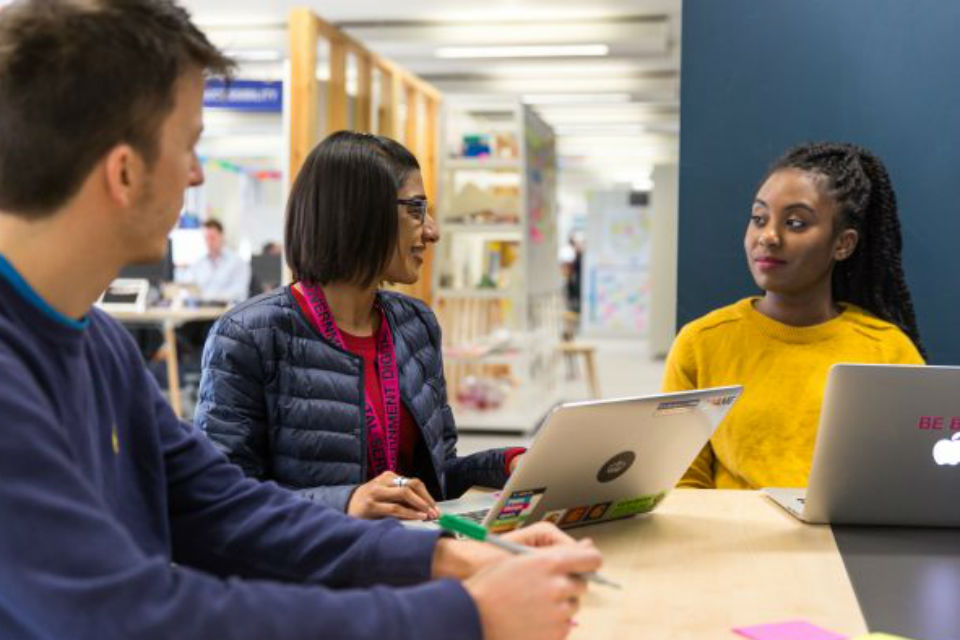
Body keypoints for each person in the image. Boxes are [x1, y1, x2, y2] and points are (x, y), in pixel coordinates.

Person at [0, 2, 601, 638]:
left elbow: (225, 509)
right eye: (190, 145)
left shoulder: (99, 347)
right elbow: (131, 615)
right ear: (124, 172)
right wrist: (465, 612)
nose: (198, 173)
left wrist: (452, 556)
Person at [196, 131, 526, 520]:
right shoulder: (249, 337)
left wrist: (508, 464)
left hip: (410, 554)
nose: (432, 231)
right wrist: (347, 503)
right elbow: (221, 502)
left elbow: (432, 480)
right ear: (361, 214)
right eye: (416, 210)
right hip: (312, 569)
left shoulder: (415, 325)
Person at [663, 142, 925, 490]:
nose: (768, 237)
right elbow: (682, 484)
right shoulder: (702, 342)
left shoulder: (888, 351)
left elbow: (913, 481)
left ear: (843, 244)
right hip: (729, 540)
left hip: (843, 543)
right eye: (759, 219)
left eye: (796, 223)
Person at [181, 217, 251, 304]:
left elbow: (240, 293)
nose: (209, 242)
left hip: (228, 312)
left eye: (212, 238)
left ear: (222, 236)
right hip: (202, 312)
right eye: (206, 238)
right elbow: (186, 286)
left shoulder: (237, 262)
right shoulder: (198, 263)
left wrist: (210, 298)